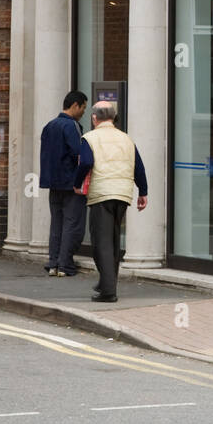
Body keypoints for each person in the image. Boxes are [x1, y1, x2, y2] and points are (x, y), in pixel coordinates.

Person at [73, 100, 147, 303]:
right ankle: (107, 282)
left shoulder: (89, 138)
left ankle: (108, 291)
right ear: (113, 118)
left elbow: (86, 162)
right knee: (113, 240)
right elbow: (138, 166)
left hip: (102, 193)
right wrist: (143, 192)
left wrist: (76, 183)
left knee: (101, 242)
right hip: (123, 194)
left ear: (94, 118)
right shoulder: (126, 139)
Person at [39, 91, 88, 276]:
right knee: (72, 224)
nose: (84, 111)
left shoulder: (49, 126)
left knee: (56, 224)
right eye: (83, 107)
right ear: (75, 105)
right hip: (71, 183)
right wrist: (80, 180)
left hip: (52, 183)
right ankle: (65, 265)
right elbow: (79, 155)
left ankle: (53, 263)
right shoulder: (72, 126)